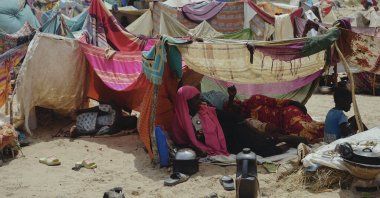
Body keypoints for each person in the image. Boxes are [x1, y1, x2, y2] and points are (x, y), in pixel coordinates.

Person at [172, 86, 307, 157]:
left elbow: (231, 117)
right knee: (264, 150)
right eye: (195, 99)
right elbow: (185, 141)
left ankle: (285, 139)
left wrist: (246, 126)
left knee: (262, 146)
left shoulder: (205, 111)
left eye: (198, 98)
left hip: (232, 134)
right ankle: (284, 140)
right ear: (185, 102)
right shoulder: (180, 122)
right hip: (230, 140)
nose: (199, 102)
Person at [224, 85, 324, 142]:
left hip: (287, 113)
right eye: (231, 109)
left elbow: (276, 102)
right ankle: (330, 132)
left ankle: (331, 130)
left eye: (234, 105)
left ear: (236, 102)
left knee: (303, 129)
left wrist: (294, 103)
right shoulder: (246, 121)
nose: (234, 108)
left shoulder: (254, 99)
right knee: (301, 136)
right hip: (282, 127)